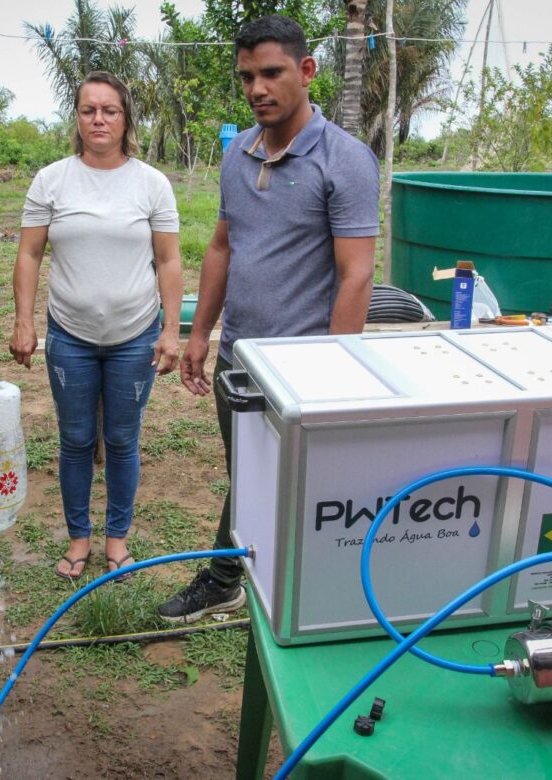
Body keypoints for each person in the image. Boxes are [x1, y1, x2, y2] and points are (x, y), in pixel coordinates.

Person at [157, 15, 379, 623]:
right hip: (240, 358)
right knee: (250, 477)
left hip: (303, 367)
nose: (258, 88)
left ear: (307, 72)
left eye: (272, 73)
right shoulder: (238, 151)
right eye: (248, 76)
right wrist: (201, 333)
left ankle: (281, 583)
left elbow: (356, 272)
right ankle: (238, 577)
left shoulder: (345, 160)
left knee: (298, 484)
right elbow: (224, 247)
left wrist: (335, 369)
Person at [10, 71, 183, 581]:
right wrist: (23, 322)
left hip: (134, 335)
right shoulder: (51, 179)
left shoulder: (151, 183)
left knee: (124, 440)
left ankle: (118, 542)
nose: (99, 119)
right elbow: (29, 253)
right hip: (69, 337)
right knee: (77, 440)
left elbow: (169, 262)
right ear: (78, 118)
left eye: (110, 110)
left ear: (126, 118)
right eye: (89, 110)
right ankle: (79, 541)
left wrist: (171, 330)